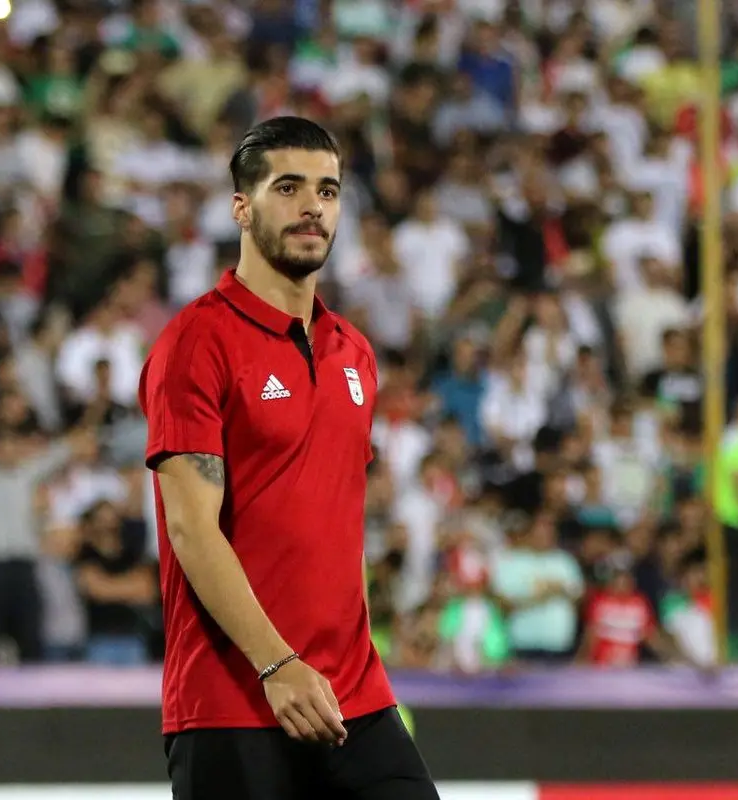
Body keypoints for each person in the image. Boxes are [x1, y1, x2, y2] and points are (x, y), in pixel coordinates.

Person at [139, 117, 440, 800]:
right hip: (234, 700)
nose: (312, 207)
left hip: (353, 698)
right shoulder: (196, 342)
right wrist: (278, 665)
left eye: (327, 191)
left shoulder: (354, 351)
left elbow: (338, 521)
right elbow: (191, 529)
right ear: (241, 208)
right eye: (288, 187)